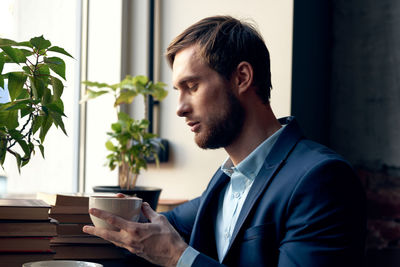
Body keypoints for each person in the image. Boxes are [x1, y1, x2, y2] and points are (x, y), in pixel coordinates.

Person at [83, 15, 366, 267]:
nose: (180, 107)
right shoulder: (224, 183)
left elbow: (172, 250)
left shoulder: (321, 178)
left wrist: (177, 258)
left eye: (192, 87)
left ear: (242, 77)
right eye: (178, 91)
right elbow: (149, 228)